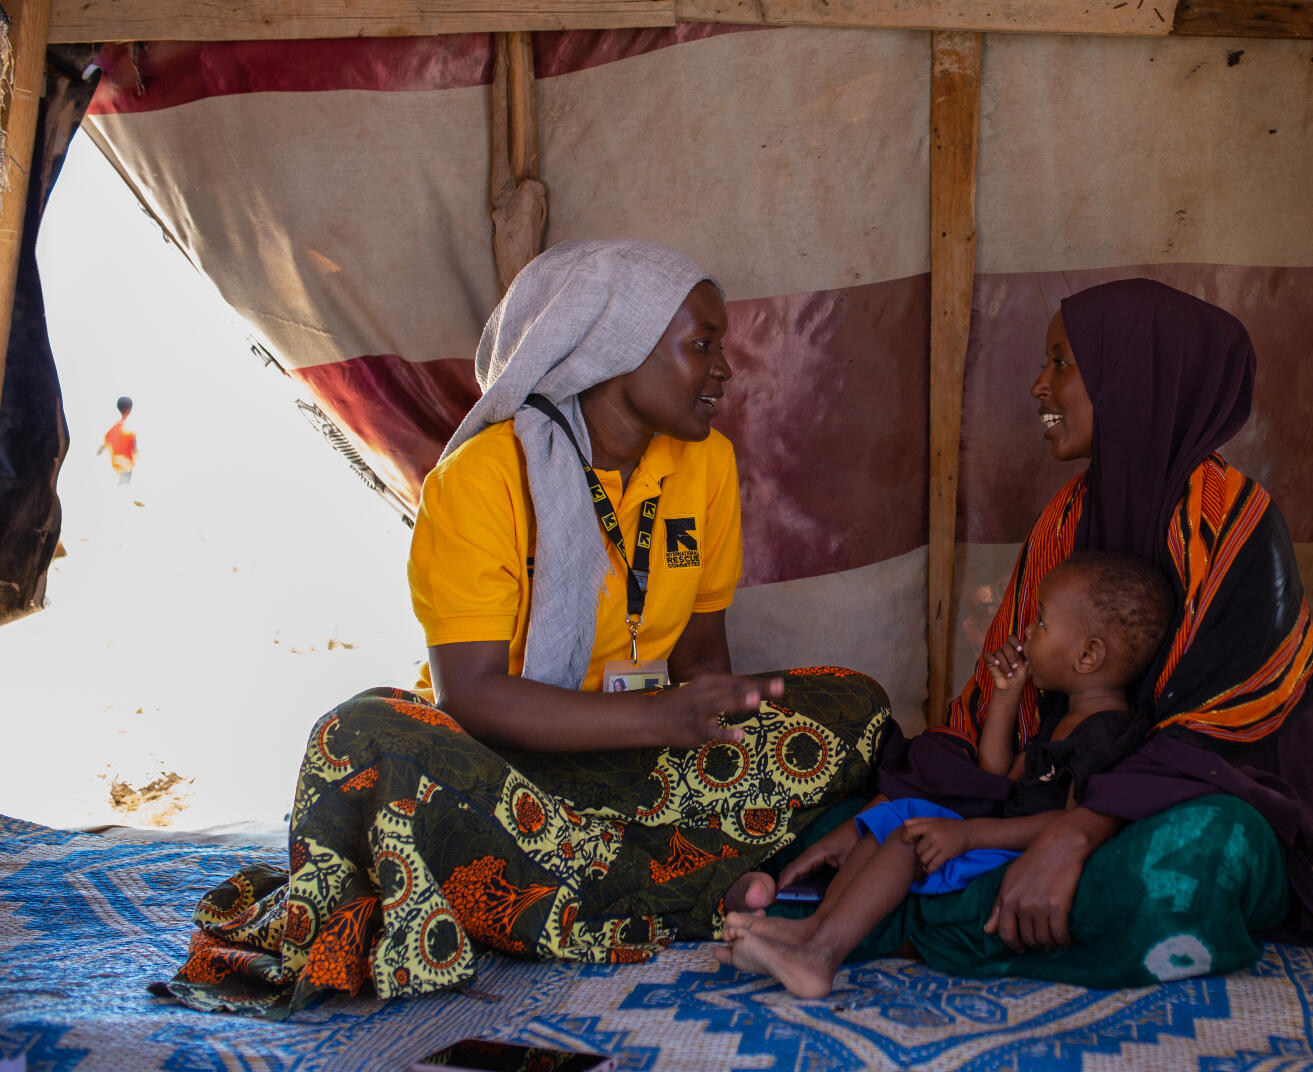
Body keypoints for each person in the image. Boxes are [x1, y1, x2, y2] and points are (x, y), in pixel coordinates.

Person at [161, 240, 892, 1018]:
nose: (724, 369)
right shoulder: (479, 480)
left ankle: (619, 877)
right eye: (702, 344)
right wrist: (655, 715)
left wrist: (718, 723)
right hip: (505, 773)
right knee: (362, 738)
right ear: (614, 348)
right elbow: (471, 696)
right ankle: (692, 876)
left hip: (635, 772)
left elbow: (702, 662)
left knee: (854, 707)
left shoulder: (703, 465)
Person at [773, 278, 1313, 989]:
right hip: (1049, 801)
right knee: (864, 813)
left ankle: (915, 917)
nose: (1040, 387)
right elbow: (1000, 698)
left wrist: (1078, 830)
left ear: (1135, 377)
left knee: (1198, 856)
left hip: (1198, 804)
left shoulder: (1234, 523)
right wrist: (890, 811)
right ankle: (964, 912)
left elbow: (1218, 734)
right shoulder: (1066, 519)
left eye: (1062, 364)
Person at [717, 551, 1175, 996]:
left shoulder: (1109, 734)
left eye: (1042, 622)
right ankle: (813, 931)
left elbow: (1070, 823)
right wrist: (1005, 697)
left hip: (1019, 854)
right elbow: (1000, 771)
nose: (1028, 632)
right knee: (898, 815)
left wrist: (970, 835)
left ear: (1088, 656)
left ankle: (821, 959)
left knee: (911, 838)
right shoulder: (1062, 718)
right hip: (995, 837)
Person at [97, 396, 137, 484]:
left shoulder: (114, 428)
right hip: (126, 466)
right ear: (130, 409)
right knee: (125, 488)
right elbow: (135, 448)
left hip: (115, 465)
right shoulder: (130, 427)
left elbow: (102, 448)